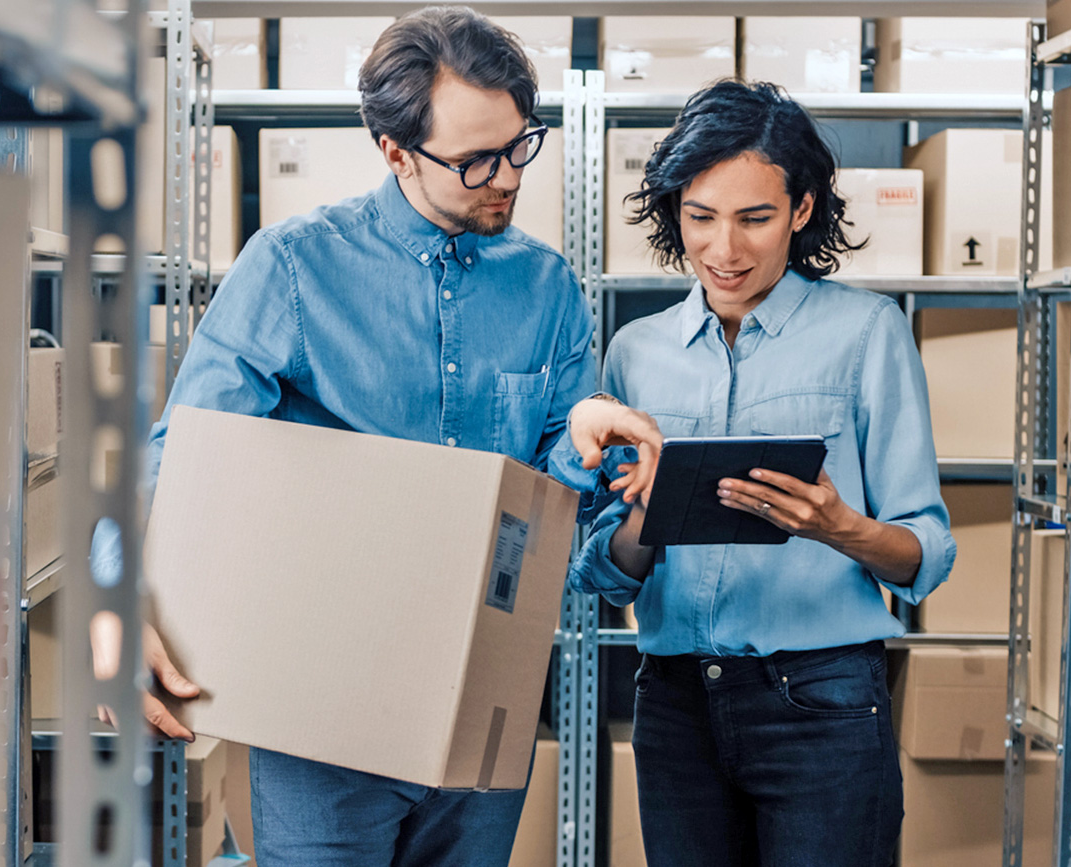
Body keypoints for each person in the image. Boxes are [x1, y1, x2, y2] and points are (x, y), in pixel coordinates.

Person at [89, 6, 660, 865]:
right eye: (474, 161)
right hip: (325, 711)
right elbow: (180, 458)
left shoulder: (548, 289)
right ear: (395, 152)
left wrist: (577, 440)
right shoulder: (290, 268)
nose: (506, 177)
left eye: (519, 146)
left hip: (484, 706)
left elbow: (549, 511)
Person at [565, 80, 957, 867]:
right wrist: (645, 511)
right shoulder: (634, 353)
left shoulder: (867, 333)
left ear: (802, 209)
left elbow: (928, 552)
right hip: (675, 703)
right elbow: (605, 575)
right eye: (701, 217)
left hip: (823, 702)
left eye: (755, 218)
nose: (724, 250)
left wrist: (838, 527)